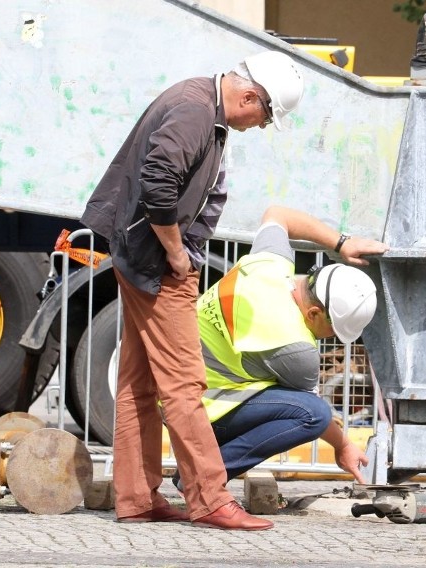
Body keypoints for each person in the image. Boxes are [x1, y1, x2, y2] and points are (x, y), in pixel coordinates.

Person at [79, 51, 304, 531]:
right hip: (159, 265)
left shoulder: (201, 104)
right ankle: (210, 498)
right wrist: (178, 254)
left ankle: (137, 497)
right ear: (248, 95)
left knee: (139, 384)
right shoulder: (196, 110)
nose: (262, 126)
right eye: (265, 116)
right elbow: (158, 184)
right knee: (185, 385)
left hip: (145, 257)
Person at [171, 205, 388, 493]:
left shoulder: (270, 264)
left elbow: (278, 214)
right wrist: (344, 445)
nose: (331, 338)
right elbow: (313, 414)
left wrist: (342, 243)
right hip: (198, 405)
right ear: (313, 313)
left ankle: (196, 473)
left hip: (175, 385)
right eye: (333, 329)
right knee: (314, 414)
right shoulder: (297, 349)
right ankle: (202, 478)